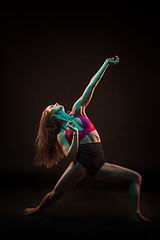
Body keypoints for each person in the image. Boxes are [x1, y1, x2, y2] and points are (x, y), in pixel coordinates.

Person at [24, 56, 150, 223]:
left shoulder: (78, 111)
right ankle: (38, 209)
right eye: (51, 106)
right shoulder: (62, 134)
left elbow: (91, 86)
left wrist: (106, 64)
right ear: (52, 115)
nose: (54, 103)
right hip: (82, 164)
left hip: (99, 162)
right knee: (56, 193)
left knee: (136, 177)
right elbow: (71, 155)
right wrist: (75, 135)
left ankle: (136, 215)